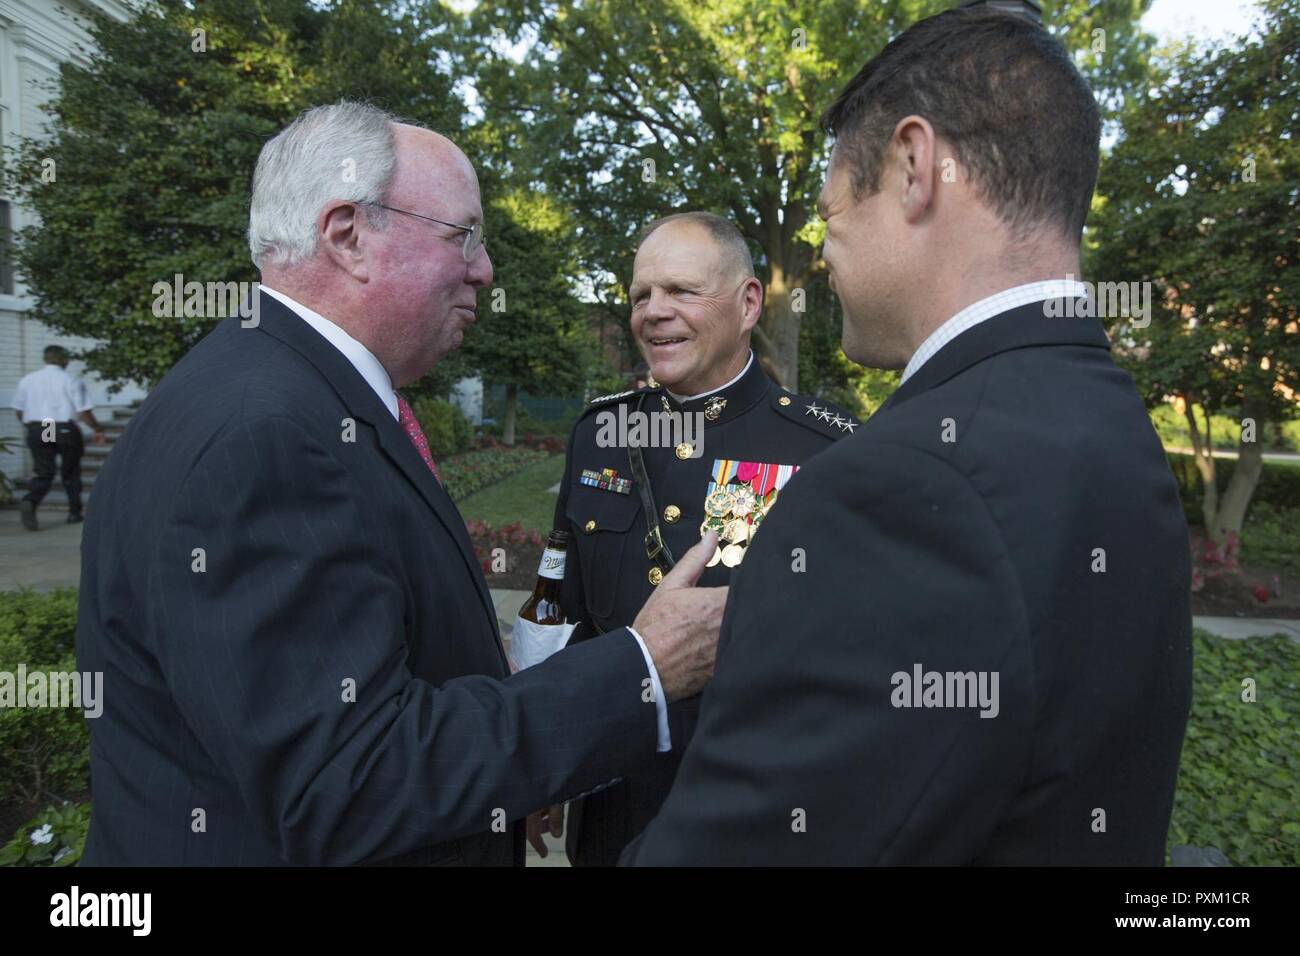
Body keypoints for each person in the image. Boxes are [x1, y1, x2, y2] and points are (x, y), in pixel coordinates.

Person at [75, 101, 727, 866]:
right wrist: (643, 667)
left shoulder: (278, 390)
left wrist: (499, 710)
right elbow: (350, 782)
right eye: (465, 236)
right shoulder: (266, 437)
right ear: (349, 237)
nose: (484, 268)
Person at [624, 7, 1193, 865]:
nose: (821, 251)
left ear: (916, 166)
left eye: (831, 210)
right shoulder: (1104, 415)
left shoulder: (902, 486)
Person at [517, 212, 856, 865]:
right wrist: (538, 761)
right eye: (641, 295)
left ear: (749, 302)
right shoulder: (602, 434)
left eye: (681, 291)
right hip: (614, 815)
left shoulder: (821, 450)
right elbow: (563, 608)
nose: (653, 312)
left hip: (754, 823)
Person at [10, 344, 105, 529]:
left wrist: (33, 427)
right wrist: (97, 428)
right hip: (63, 429)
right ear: (64, 360)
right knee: (70, 472)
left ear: (45, 359)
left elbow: (20, 411)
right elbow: (83, 411)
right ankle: (74, 513)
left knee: (44, 471)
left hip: (43, 426)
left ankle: (31, 500)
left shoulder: (28, 380)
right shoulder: (70, 380)